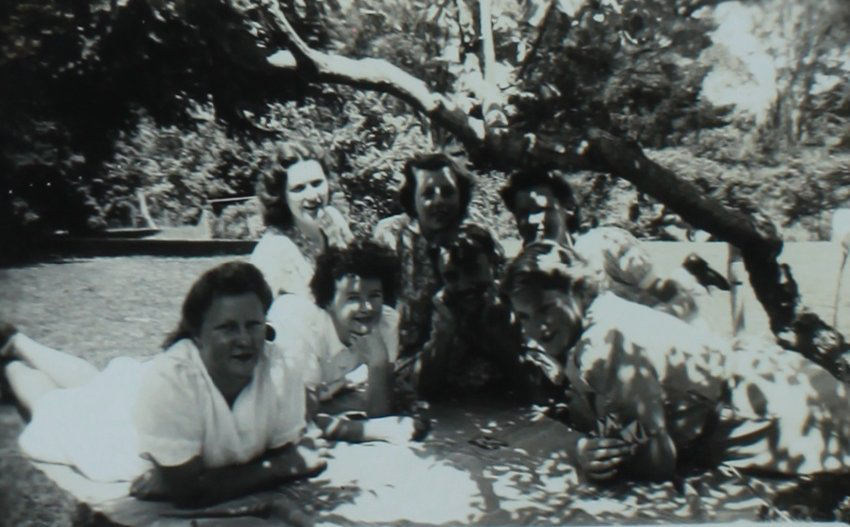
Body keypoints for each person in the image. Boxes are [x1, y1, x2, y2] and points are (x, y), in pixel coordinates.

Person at [503, 241, 850, 484]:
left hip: (778, 417)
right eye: (525, 316)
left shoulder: (602, 347)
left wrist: (583, 454)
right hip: (778, 381)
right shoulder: (602, 313)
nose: (538, 327)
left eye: (546, 308)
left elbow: (654, 460)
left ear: (577, 291)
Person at [0, 262, 325, 505]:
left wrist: (273, 465)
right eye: (227, 327)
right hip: (123, 435)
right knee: (53, 409)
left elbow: (283, 450)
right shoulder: (174, 378)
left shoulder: (279, 365)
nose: (244, 340)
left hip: (146, 405)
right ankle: (12, 363)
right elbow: (191, 492)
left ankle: (14, 340)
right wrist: (280, 467)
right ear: (197, 334)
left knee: (96, 384)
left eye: (253, 324)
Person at [500, 170, 726, 322]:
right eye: (523, 213)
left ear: (567, 207)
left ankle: (691, 275)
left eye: (542, 209)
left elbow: (675, 299)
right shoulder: (524, 272)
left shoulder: (606, 245)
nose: (532, 221)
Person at [373, 153, 476, 357]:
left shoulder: (473, 235)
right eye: (428, 194)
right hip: (405, 355)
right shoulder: (391, 235)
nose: (439, 201)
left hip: (465, 353)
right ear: (412, 198)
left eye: (448, 192)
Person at [412, 224, 524, 400]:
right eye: (451, 276)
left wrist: (500, 336)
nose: (464, 284)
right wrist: (443, 336)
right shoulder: (443, 307)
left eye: (472, 270)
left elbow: (534, 390)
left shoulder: (516, 303)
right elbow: (423, 391)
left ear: (493, 262)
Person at [252, 153, 353, 299]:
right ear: (282, 196)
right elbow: (257, 311)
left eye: (317, 183)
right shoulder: (272, 249)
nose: (312, 196)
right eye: (298, 189)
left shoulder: (333, 218)